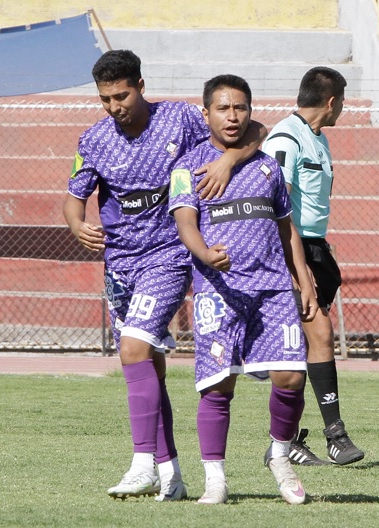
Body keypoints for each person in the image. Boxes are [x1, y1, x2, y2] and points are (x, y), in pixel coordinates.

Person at [63, 50, 266, 501]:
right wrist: (77, 224)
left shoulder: (179, 119)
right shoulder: (94, 138)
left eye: (122, 95)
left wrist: (229, 161)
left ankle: (140, 465)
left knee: (133, 349)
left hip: (169, 255)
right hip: (120, 263)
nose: (115, 106)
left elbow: (256, 131)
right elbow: (74, 198)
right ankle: (169, 473)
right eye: (105, 99)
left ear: (140, 84)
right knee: (146, 367)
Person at [169, 74, 318, 505]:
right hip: (220, 292)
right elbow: (185, 223)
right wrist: (204, 253)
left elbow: (286, 227)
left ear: (249, 111)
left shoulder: (267, 164)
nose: (232, 116)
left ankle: (279, 454)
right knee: (218, 387)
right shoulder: (187, 167)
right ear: (206, 114)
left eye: (240, 108)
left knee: (292, 376)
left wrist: (303, 279)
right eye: (222, 108)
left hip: (272, 288)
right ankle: (215, 478)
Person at [260, 66, 364, 466]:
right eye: (343, 101)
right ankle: (334, 435)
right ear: (333, 101)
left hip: (315, 249)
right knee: (318, 333)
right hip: (292, 250)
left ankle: (286, 442)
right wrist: (292, 266)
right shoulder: (286, 137)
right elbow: (274, 208)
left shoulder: (318, 139)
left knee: (303, 347)